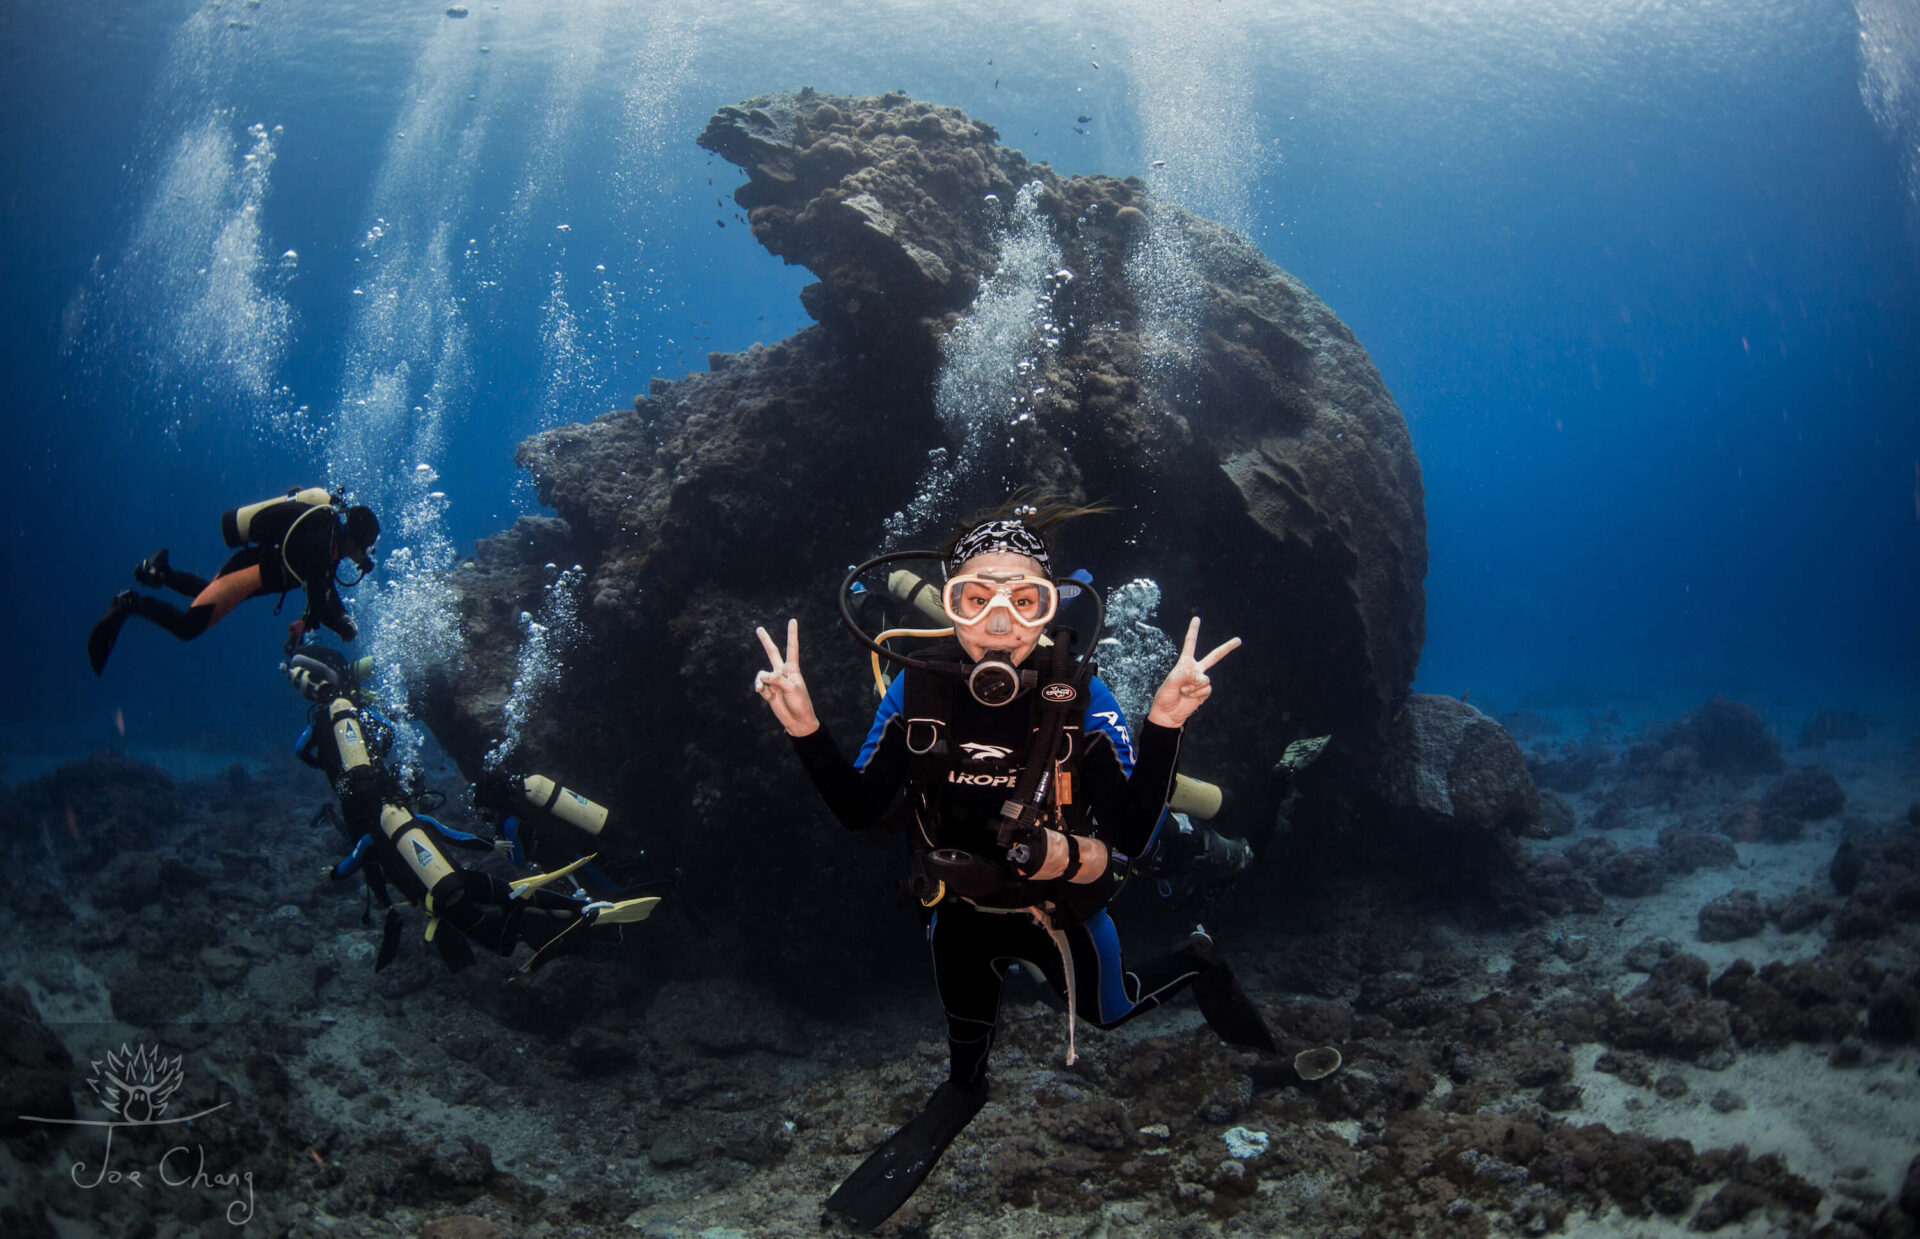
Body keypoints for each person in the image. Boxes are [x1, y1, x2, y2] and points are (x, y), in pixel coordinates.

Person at [752, 498, 1275, 1231]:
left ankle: (1197, 959)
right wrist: (806, 728)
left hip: (1057, 907)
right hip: (959, 909)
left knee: (1108, 1011)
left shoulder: (1082, 694)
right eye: (976, 597)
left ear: (1048, 608)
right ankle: (966, 1087)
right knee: (966, 1042)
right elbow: (861, 810)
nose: (999, 622)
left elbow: (1129, 832)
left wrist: (1164, 724)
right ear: (951, 606)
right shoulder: (915, 688)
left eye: (1022, 599)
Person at [284, 645, 659, 973]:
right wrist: (488, 846)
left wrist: (335, 872)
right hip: (463, 869)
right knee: (510, 891)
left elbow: (355, 850)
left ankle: (574, 913)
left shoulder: (373, 836)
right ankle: (581, 909)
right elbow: (450, 833)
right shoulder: (414, 816)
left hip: (440, 894)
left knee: (500, 938)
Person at [87, 486, 380, 674]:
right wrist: (343, 626)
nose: (364, 558)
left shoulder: (327, 546)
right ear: (355, 541)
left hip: (248, 571)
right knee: (189, 625)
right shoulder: (322, 544)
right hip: (249, 575)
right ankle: (129, 603)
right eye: (366, 550)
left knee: (205, 594)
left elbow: (323, 595)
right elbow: (320, 598)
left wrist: (337, 622)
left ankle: (160, 572)